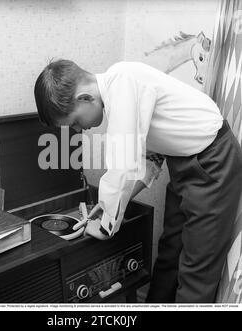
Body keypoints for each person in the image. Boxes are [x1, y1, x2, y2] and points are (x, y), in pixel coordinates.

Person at [34, 59, 242, 303]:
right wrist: (112, 204)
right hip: (183, 162)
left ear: (84, 98)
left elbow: (122, 163)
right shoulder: (120, 95)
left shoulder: (123, 81)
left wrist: (105, 226)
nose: (80, 130)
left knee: (196, 269)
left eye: (75, 122)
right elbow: (148, 160)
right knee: (170, 253)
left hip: (212, 161)